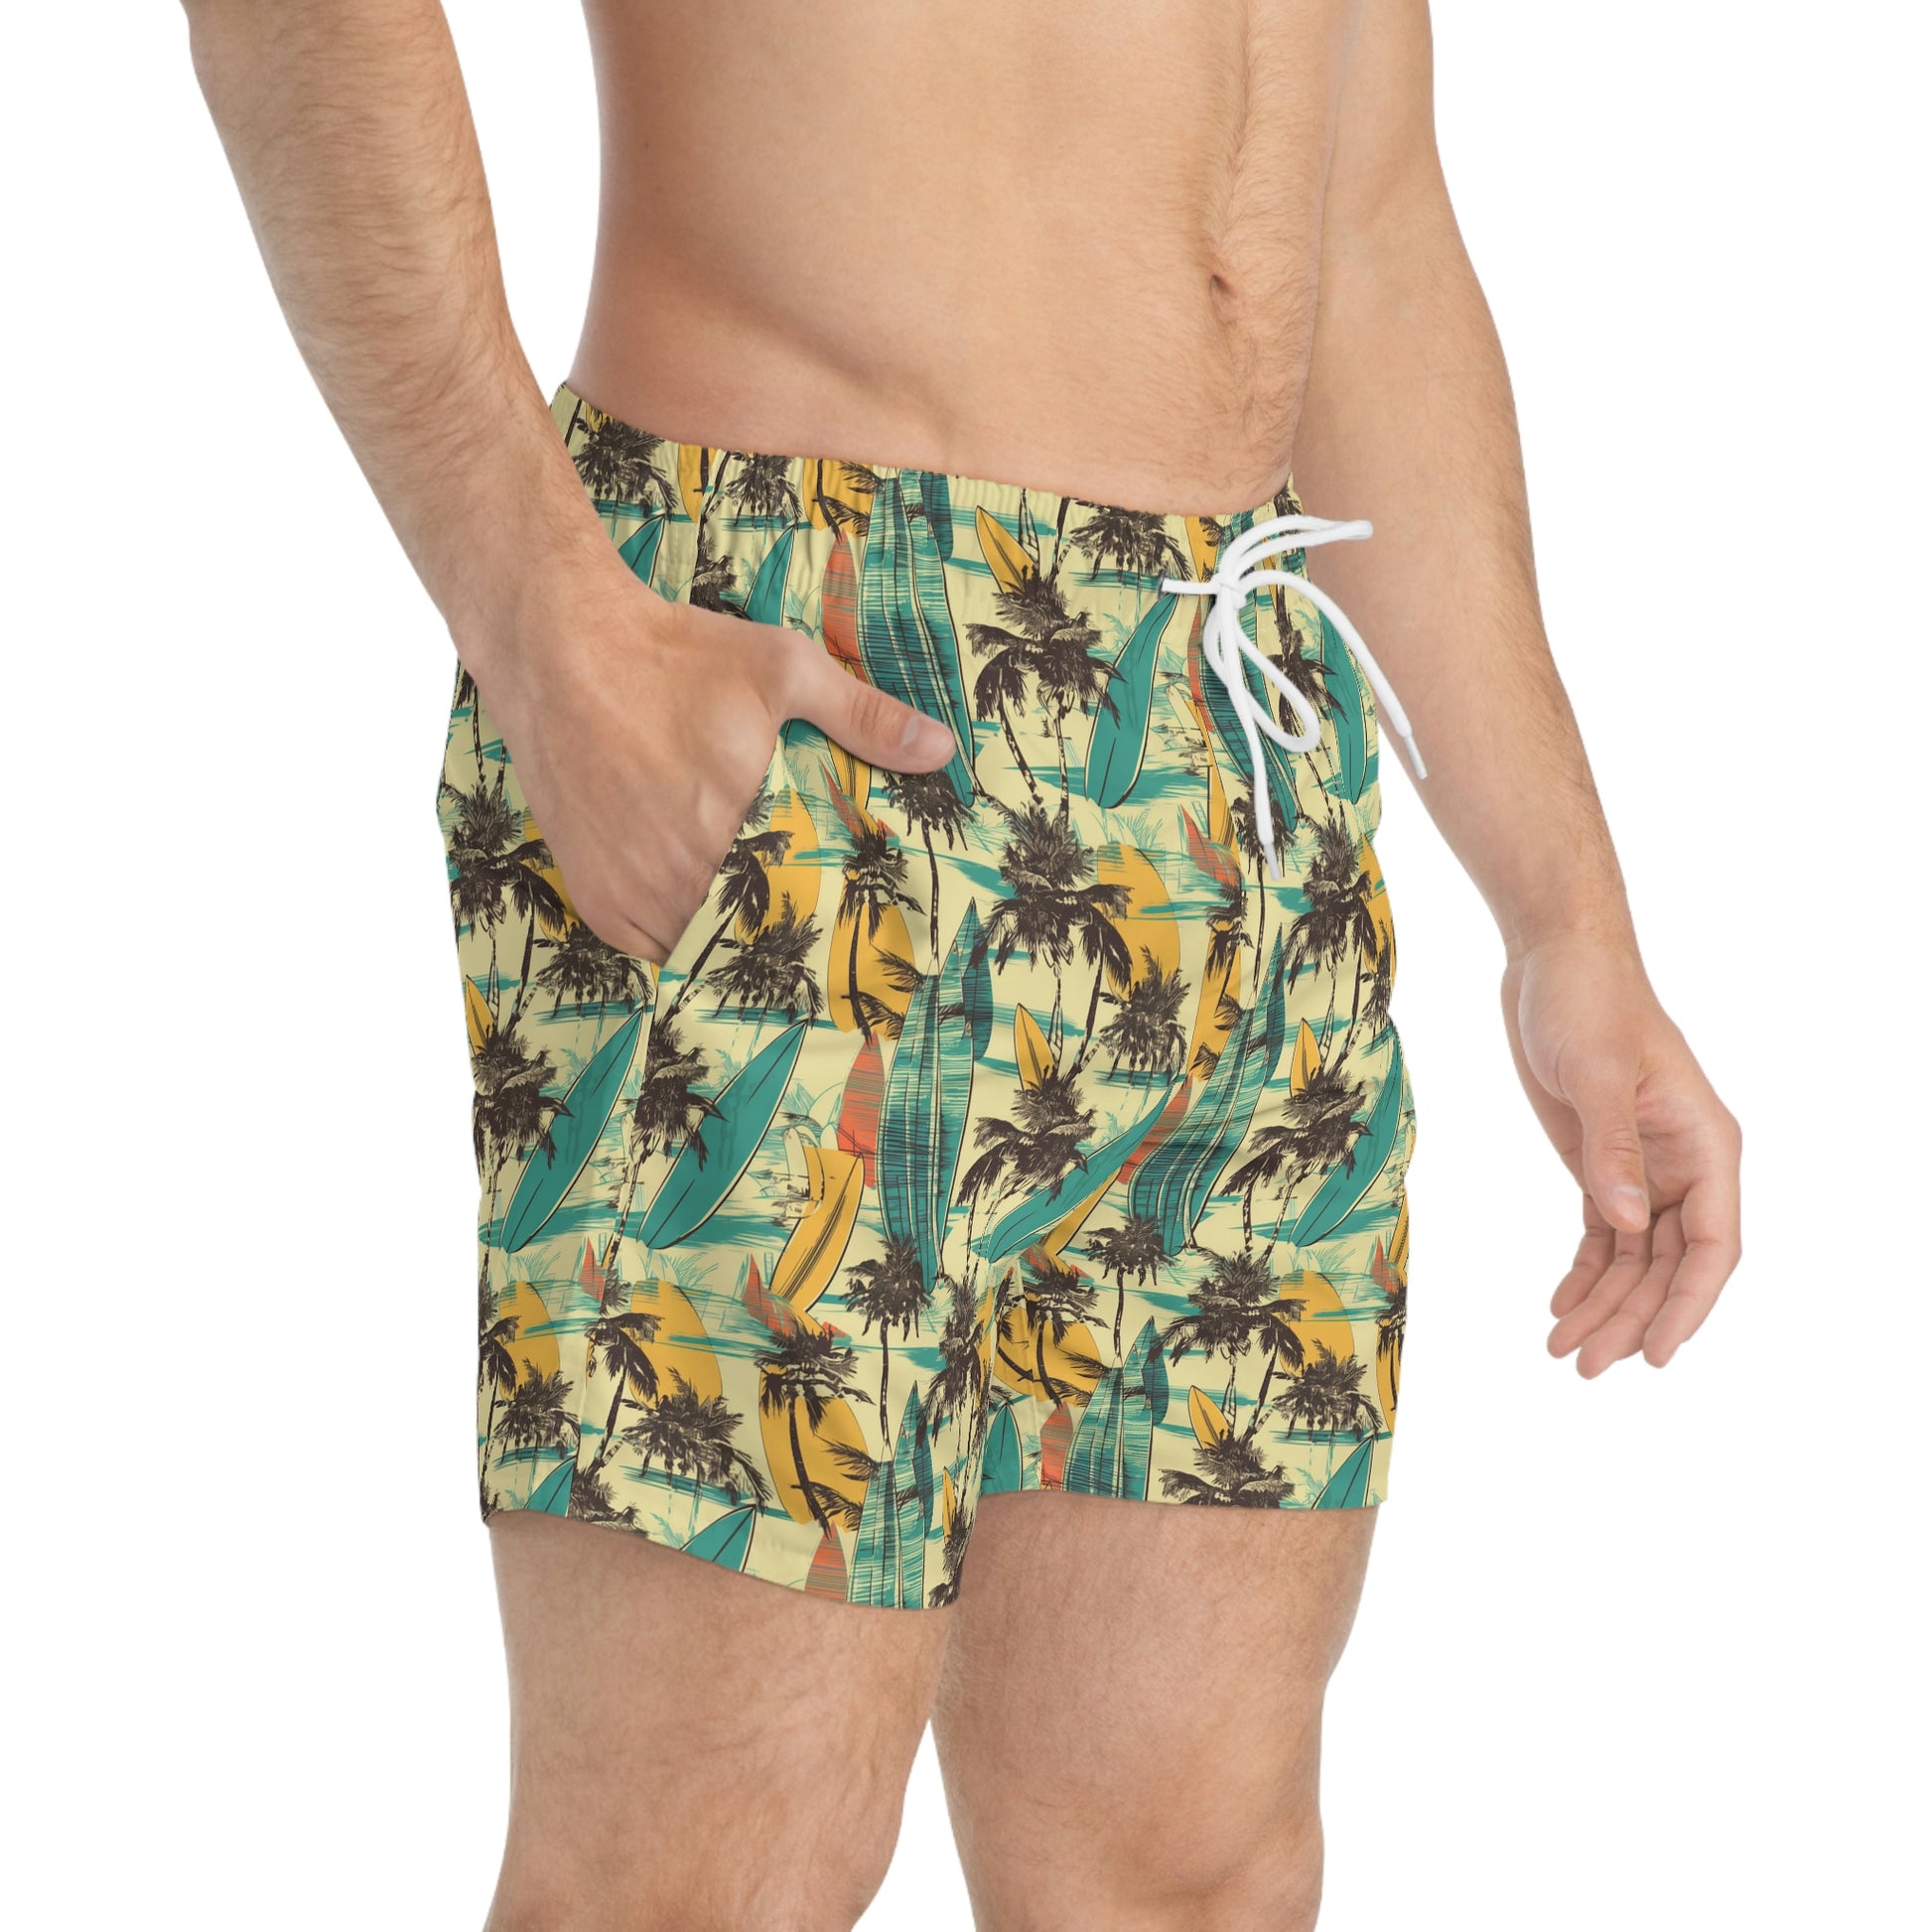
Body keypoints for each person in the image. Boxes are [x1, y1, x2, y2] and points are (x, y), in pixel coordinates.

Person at [183, 2, 1742, 1925]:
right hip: (810, 664)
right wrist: (540, 612)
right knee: (703, 1876)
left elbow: (1362, 223)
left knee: (1186, 1873)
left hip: (1235, 720)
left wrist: (1566, 917)